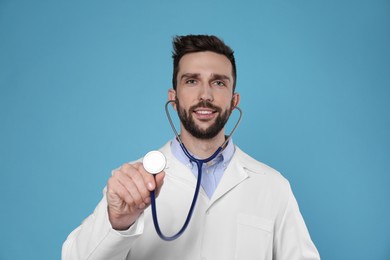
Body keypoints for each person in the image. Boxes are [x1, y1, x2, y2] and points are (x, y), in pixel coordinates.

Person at [62, 34, 320, 260]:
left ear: (234, 100)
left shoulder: (273, 187)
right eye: (191, 81)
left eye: (219, 82)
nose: (205, 95)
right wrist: (117, 223)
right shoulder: (131, 183)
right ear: (173, 98)